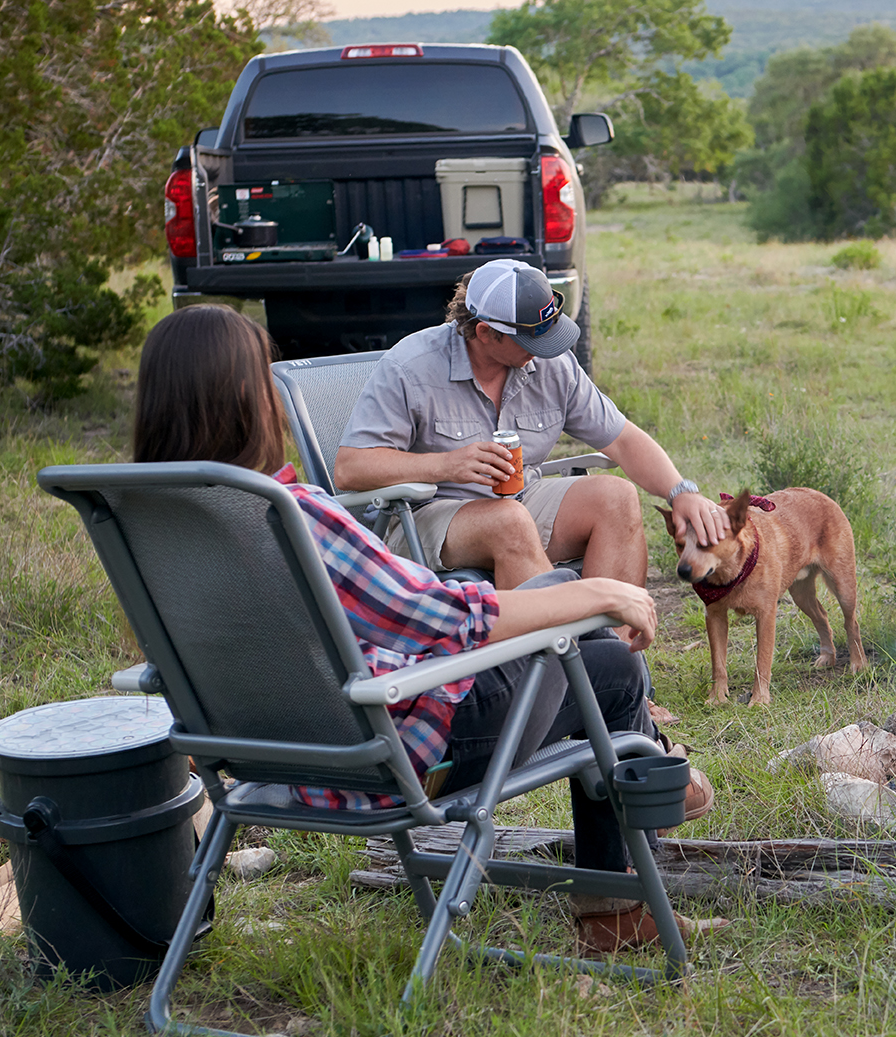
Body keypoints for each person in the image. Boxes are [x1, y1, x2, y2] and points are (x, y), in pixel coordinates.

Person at [131, 304, 721, 954]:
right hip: (395, 758)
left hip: (255, 754)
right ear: (249, 401)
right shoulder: (287, 514)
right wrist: (599, 594)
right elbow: (447, 619)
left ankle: (642, 801)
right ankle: (625, 882)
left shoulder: (142, 524)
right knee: (605, 663)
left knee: (566, 624)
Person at [335, 259, 734, 589]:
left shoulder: (550, 364)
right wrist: (445, 464)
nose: (543, 352)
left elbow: (623, 439)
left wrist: (682, 492)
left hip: (519, 502)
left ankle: (616, 669)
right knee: (508, 523)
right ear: (486, 332)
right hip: (423, 516)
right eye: (531, 342)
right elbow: (351, 468)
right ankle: (560, 663)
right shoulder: (411, 367)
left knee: (616, 497)